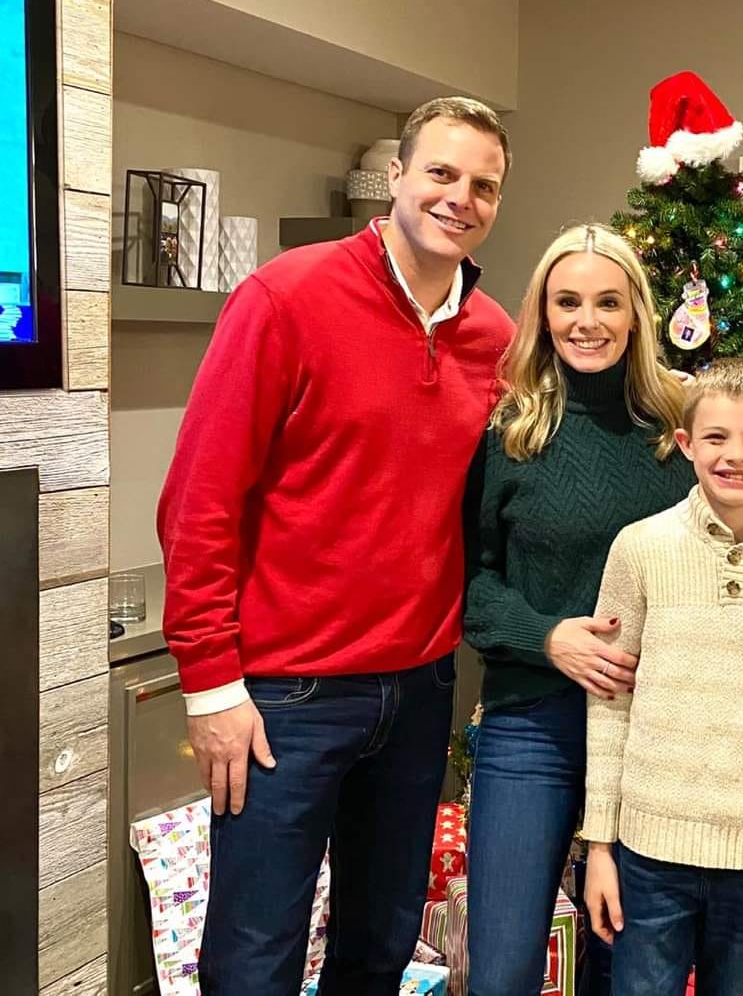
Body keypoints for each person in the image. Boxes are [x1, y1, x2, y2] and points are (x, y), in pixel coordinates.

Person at [157, 96, 515, 995]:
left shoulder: (496, 338)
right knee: (254, 954)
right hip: (286, 698)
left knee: (380, 949)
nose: (459, 198)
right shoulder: (286, 296)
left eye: (483, 185)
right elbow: (199, 501)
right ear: (394, 177)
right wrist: (210, 685)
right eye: (440, 172)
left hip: (421, 686)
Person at [462, 222, 696, 995]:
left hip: (652, 733)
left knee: (633, 970)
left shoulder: (679, 432)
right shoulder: (511, 430)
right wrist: (547, 635)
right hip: (533, 725)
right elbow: (471, 580)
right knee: (502, 970)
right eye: (567, 302)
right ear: (543, 311)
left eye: (607, 302)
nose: (586, 321)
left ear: (637, 314)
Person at [583, 359, 743, 996]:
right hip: (650, 852)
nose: (737, 455)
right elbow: (610, 701)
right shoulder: (639, 548)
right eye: (717, 437)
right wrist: (599, 845)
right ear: (686, 445)